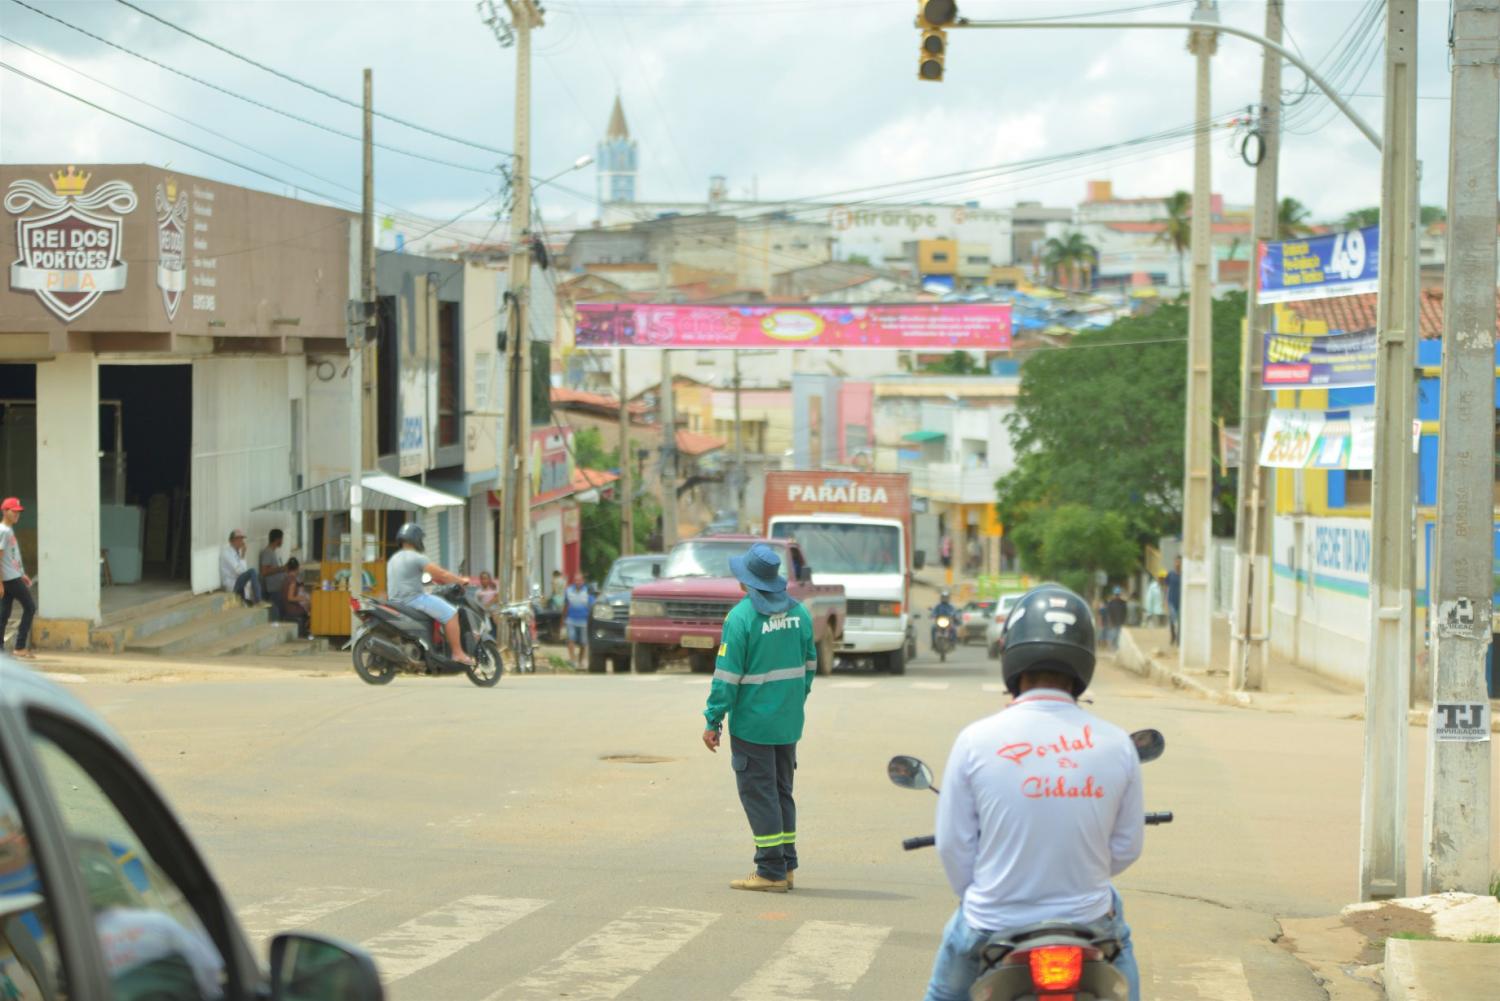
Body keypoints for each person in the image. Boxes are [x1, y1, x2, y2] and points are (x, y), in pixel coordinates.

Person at [925, 583, 1144, 1001]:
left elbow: (954, 846)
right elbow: (1127, 847)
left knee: (941, 994)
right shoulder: (1118, 745)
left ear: (1014, 657)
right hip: (1090, 924)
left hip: (992, 922)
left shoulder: (976, 740)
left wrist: (991, 896)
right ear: (1084, 662)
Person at [702, 543, 816, 893]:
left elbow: (726, 678)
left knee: (759, 792)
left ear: (746, 583)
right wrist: (791, 701)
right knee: (782, 791)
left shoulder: (741, 618)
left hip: (753, 725)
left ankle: (770, 871)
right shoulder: (801, 614)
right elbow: (810, 667)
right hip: (788, 722)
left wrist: (713, 719)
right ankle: (787, 864)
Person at [386, 522, 474, 666]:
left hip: (396, 602)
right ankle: (458, 653)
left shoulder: (393, 559)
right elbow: (443, 574)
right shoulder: (417, 557)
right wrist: (460, 580)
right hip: (413, 599)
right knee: (452, 614)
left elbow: (426, 576)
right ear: (416, 539)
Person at [0, 498, 35, 660]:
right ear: (5, 511)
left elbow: (12, 556)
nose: (17, 514)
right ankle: (20, 646)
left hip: (13, 576)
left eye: (18, 512)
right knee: (30, 607)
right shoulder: (3, 531)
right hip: (9, 579)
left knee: (4, 613)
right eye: (14, 511)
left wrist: (22, 573)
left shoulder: (9, 530)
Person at [219, 529, 263, 606]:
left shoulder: (238, 552)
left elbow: (244, 570)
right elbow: (239, 571)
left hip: (239, 583)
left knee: (255, 574)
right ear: (232, 541)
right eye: (239, 539)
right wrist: (243, 555)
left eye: (242, 539)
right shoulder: (226, 553)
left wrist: (243, 555)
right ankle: (258, 600)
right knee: (252, 571)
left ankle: (253, 600)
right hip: (232, 584)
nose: (241, 542)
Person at [564, 572, 593, 669]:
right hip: (571, 619)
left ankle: (581, 661)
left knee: (583, 643)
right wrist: (562, 621)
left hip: (584, 621)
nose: (577, 582)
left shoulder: (587, 591)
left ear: (583, 581)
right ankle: (573, 660)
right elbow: (566, 606)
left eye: (579, 580)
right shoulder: (568, 591)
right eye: (576, 580)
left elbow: (591, 607)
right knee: (571, 639)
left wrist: (591, 621)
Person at [279, 558, 311, 638]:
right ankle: (304, 634)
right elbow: (290, 597)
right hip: (291, 609)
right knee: (310, 611)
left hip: (285, 607)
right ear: (297, 568)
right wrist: (301, 598)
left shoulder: (285, 579)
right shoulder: (292, 581)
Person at [259, 529, 288, 598]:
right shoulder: (267, 552)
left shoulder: (273, 552)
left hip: (278, 588)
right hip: (274, 591)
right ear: (277, 539)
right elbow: (264, 571)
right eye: (281, 539)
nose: (282, 541)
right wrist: (282, 568)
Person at [1166, 556, 1182, 646]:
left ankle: (1178, 639)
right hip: (1171, 600)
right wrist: (1165, 600)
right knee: (1173, 619)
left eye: (1179, 562)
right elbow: (1166, 587)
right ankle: (1173, 636)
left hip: (1180, 602)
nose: (1177, 564)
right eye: (1176, 562)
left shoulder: (1183, 575)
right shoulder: (1170, 574)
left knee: (1179, 621)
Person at [1104, 586, 1128, 651]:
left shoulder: (1123, 603)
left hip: (1120, 622)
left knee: (1118, 636)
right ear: (1114, 594)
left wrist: (1124, 621)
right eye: (1116, 594)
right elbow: (1108, 613)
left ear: (1119, 595)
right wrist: (1110, 622)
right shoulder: (1110, 603)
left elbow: (1125, 613)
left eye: (1118, 594)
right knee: (1112, 635)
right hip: (1112, 622)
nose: (1117, 596)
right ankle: (1111, 648)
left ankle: (1116, 649)